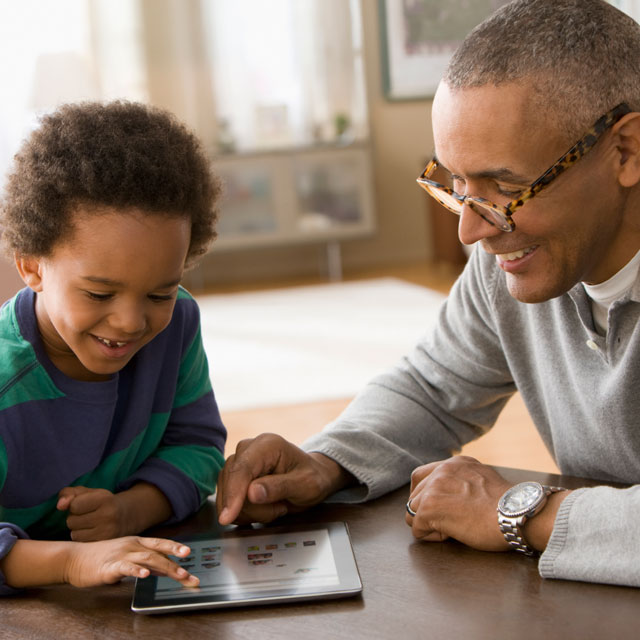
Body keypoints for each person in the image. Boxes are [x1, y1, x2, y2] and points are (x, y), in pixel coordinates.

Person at [216, 0, 640, 588]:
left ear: (626, 151)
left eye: (507, 186)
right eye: (458, 186)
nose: (471, 230)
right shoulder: (513, 261)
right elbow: (432, 388)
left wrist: (519, 511)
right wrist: (325, 463)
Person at [0, 101, 227, 593]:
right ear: (32, 266)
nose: (130, 322)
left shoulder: (177, 323)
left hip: (123, 578)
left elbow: (198, 446)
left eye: (159, 293)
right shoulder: (5, 382)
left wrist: (130, 509)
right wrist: (71, 562)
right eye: (99, 294)